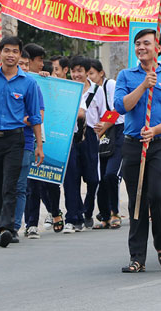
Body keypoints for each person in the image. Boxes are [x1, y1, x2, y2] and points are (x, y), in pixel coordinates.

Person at [115, 29, 161, 273]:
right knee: (137, 200)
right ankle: (137, 257)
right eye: (137, 43)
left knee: (158, 194)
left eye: (146, 43)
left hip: (160, 144)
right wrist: (143, 86)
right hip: (133, 145)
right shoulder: (126, 76)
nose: (140, 47)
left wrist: (155, 130)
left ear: (159, 48)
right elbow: (120, 106)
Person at [0, 36, 44, 248]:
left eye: (15, 51)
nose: (10, 55)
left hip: (16, 139)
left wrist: (39, 146)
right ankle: (1, 224)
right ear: (0, 52)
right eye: (7, 50)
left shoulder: (29, 83)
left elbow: (36, 116)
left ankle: (7, 228)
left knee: (10, 185)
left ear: (20, 55)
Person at [22, 44, 62, 239]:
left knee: (44, 182)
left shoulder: (38, 82)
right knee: (26, 185)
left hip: (37, 139)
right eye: (39, 60)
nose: (41, 64)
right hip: (14, 140)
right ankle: (25, 223)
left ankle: (50, 214)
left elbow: (40, 114)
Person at [63, 55, 106, 232]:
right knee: (70, 178)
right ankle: (73, 217)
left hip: (89, 136)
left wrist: (103, 126)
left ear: (87, 72)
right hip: (70, 136)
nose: (76, 75)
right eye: (73, 71)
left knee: (93, 178)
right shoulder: (66, 89)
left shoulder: (97, 90)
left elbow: (107, 113)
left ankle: (87, 210)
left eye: (79, 71)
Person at [13, 44, 47, 242]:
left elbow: (38, 116)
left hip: (27, 141)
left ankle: (20, 225)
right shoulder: (1, 82)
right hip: (2, 141)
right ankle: (5, 219)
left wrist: (39, 145)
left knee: (26, 185)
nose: (24, 68)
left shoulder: (33, 84)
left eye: (26, 64)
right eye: (21, 64)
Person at [90, 60, 124, 230]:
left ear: (101, 73)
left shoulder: (110, 85)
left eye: (91, 73)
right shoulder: (88, 90)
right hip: (99, 134)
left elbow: (117, 109)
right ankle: (104, 216)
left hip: (117, 131)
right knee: (100, 177)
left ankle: (115, 212)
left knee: (111, 174)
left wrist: (103, 125)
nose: (89, 77)